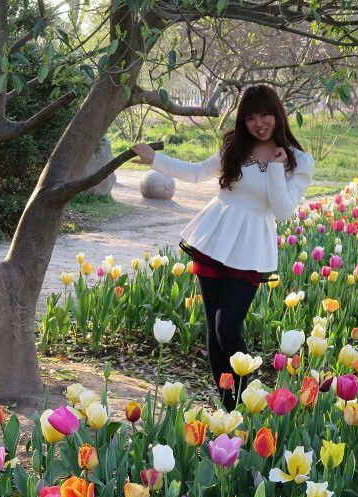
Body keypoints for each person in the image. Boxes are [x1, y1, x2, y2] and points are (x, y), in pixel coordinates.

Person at [131, 85, 314, 411]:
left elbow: (283, 211)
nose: (260, 123)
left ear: (277, 114)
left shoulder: (297, 161)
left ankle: (252, 401)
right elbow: (198, 172)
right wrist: (154, 158)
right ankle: (230, 407)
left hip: (251, 247)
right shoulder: (235, 148)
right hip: (215, 238)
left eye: (265, 114)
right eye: (251, 117)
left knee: (226, 325)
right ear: (243, 121)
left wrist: (275, 166)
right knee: (214, 330)